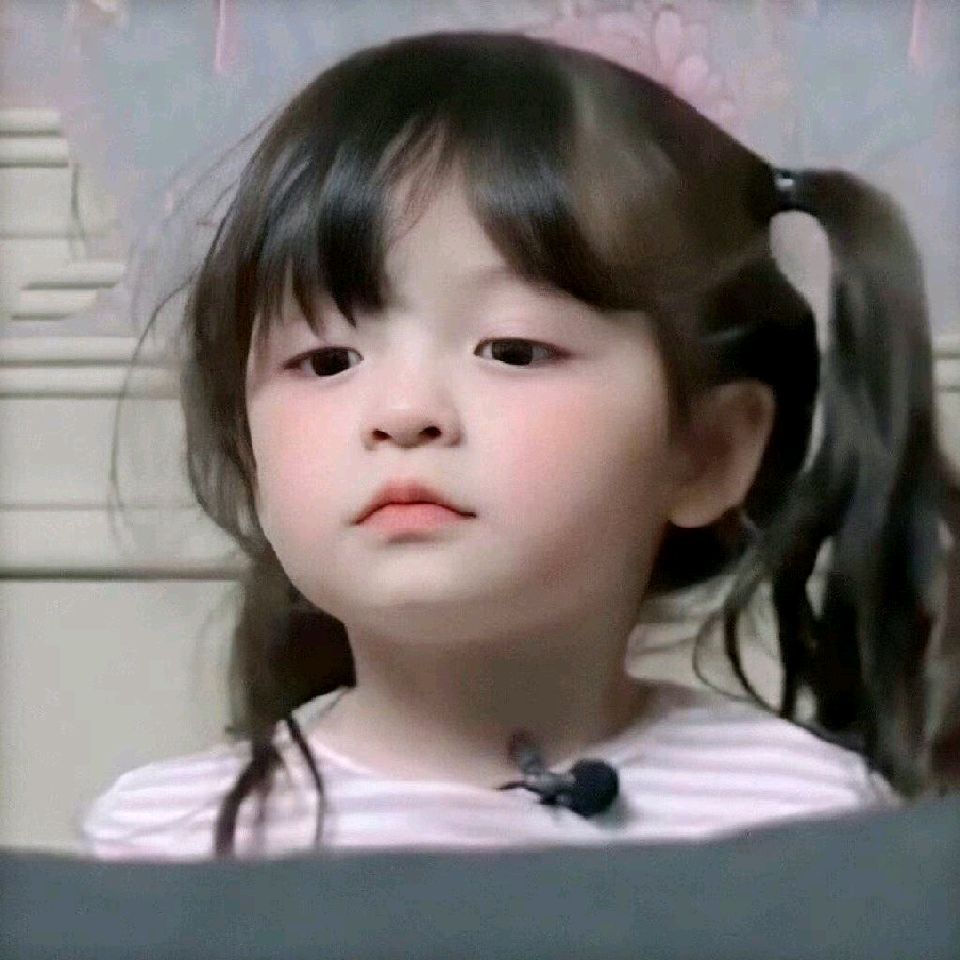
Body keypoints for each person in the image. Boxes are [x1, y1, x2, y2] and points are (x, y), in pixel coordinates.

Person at [81, 29, 957, 862]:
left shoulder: (805, 823)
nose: (403, 413)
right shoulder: (167, 843)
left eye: (511, 350)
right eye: (327, 361)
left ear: (707, 451)